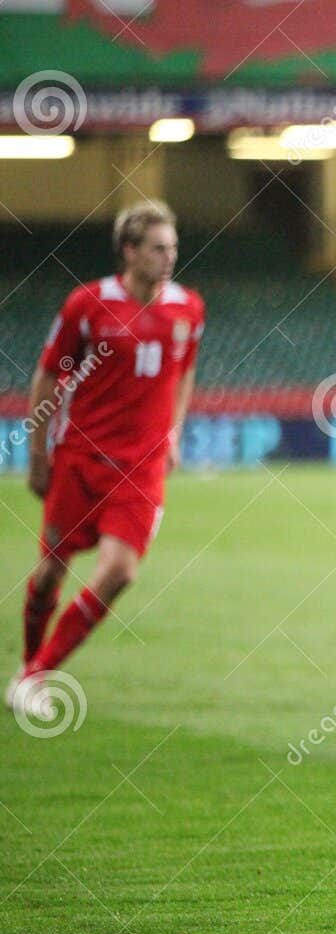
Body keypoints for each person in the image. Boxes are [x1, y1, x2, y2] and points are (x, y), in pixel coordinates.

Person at [8, 200, 204, 714]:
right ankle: (31, 666)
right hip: (80, 459)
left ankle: (35, 675)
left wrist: (175, 433)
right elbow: (49, 376)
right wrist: (37, 454)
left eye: (173, 248)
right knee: (51, 572)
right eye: (158, 249)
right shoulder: (88, 306)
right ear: (130, 251)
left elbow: (184, 374)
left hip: (142, 468)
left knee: (120, 571)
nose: (168, 258)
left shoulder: (188, 309)